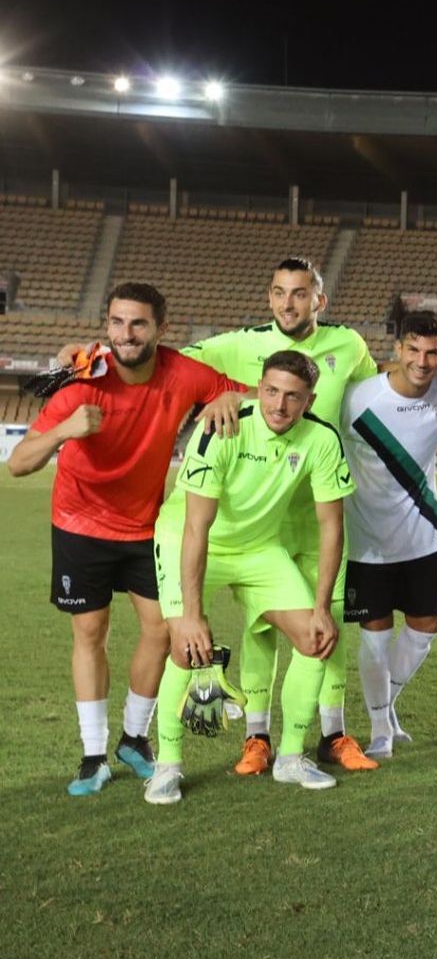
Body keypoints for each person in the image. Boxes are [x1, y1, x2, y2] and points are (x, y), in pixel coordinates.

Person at [8, 282, 243, 796]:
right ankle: (93, 755)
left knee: (160, 631)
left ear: (162, 326)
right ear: (106, 325)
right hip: (79, 526)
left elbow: (243, 392)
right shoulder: (80, 379)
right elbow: (19, 464)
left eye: (137, 324)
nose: (125, 334)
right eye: (116, 322)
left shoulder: (184, 372)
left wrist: (225, 395)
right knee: (90, 635)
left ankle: (134, 740)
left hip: (144, 526)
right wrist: (64, 430)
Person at [175, 257, 383, 775]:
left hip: (321, 512)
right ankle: (257, 738)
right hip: (262, 521)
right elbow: (165, 364)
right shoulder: (241, 344)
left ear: (320, 300)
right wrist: (221, 392)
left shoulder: (349, 346)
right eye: (278, 293)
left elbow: (383, 386)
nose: (287, 303)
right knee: (261, 631)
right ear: (269, 297)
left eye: (299, 293)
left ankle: (333, 734)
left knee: (325, 625)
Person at [143, 351, 352, 803]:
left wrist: (320, 607)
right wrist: (192, 615)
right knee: (185, 644)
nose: (279, 405)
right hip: (193, 539)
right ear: (259, 388)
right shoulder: (223, 425)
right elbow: (197, 527)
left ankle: (292, 759)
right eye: (271, 391)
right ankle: (167, 765)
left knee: (317, 638)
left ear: (309, 400)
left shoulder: (321, 439)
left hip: (260, 549)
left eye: (293, 396)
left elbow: (332, 526)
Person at [342, 312, 437, 758]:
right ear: (396, 350)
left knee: (426, 624)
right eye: (413, 350)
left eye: (433, 352)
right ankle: (380, 730)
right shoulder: (356, 399)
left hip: (423, 537)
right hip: (367, 540)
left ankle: (385, 704)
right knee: (375, 636)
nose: (422, 360)